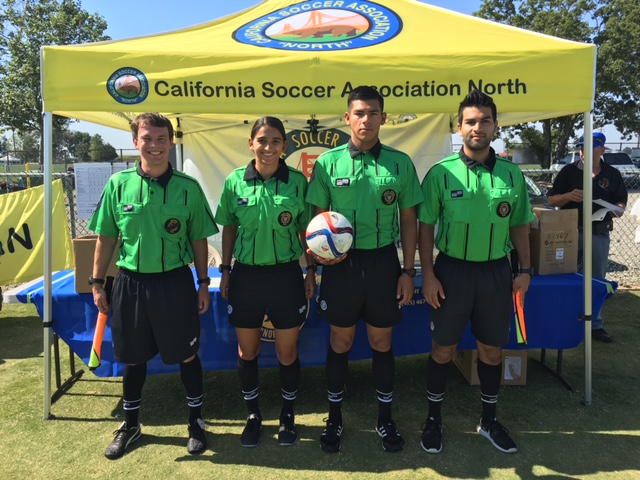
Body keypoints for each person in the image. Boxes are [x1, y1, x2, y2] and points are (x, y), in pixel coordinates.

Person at [88, 112, 219, 459]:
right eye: (148, 138)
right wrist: (97, 282)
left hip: (175, 283)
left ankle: (196, 423)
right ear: (135, 142)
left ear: (171, 142)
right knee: (133, 358)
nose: (155, 145)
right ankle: (131, 425)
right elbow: (106, 238)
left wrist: (203, 283)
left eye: (162, 139)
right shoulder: (118, 185)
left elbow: (199, 241)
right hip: (131, 284)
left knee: (186, 355)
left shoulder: (188, 188)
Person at [306, 86, 423, 453]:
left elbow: (409, 220)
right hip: (342, 267)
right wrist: (318, 258)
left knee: (380, 342)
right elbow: (315, 220)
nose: (366, 120)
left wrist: (407, 269)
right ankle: (334, 419)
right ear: (347, 118)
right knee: (339, 341)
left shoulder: (400, 163)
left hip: (384, 263)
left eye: (373, 113)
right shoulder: (328, 163)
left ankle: (384, 419)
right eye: (359, 113)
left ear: (383, 118)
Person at [418, 90, 534, 455]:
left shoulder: (512, 175)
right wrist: (430, 275)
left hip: (496, 274)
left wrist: (526, 269)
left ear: (496, 126)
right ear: (459, 127)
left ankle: (488, 420)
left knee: (491, 350)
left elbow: (520, 226)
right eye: (470, 121)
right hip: (451, 272)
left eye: (485, 120)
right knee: (442, 349)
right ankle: (433, 419)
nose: (477, 127)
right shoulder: (440, 174)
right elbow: (425, 228)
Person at [215, 116, 317, 448]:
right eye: (262, 140)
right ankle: (253, 416)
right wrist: (226, 269)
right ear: (251, 144)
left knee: (287, 353)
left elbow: (308, 232)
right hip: (246, 276)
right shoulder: (235, 182)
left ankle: (287, 416)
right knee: (249, 350)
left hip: (286, 275)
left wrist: (311, 270)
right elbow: (229, 227)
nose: (268, 147)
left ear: (285, 147)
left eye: (275, 141)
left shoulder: (298, 183)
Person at [548, 132, 627, 343]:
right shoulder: (569, 171)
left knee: (597, 280)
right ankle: (566, 320)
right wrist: (567, 196)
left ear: (602, 150)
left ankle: (595, 324)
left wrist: (616, 210)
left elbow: (621, 203)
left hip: (599, 234)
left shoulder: (612, 174)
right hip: (570, 234)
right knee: (566, 276)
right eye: (583, 147)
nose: (585, 152)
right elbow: (551, 200)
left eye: (592, 148)